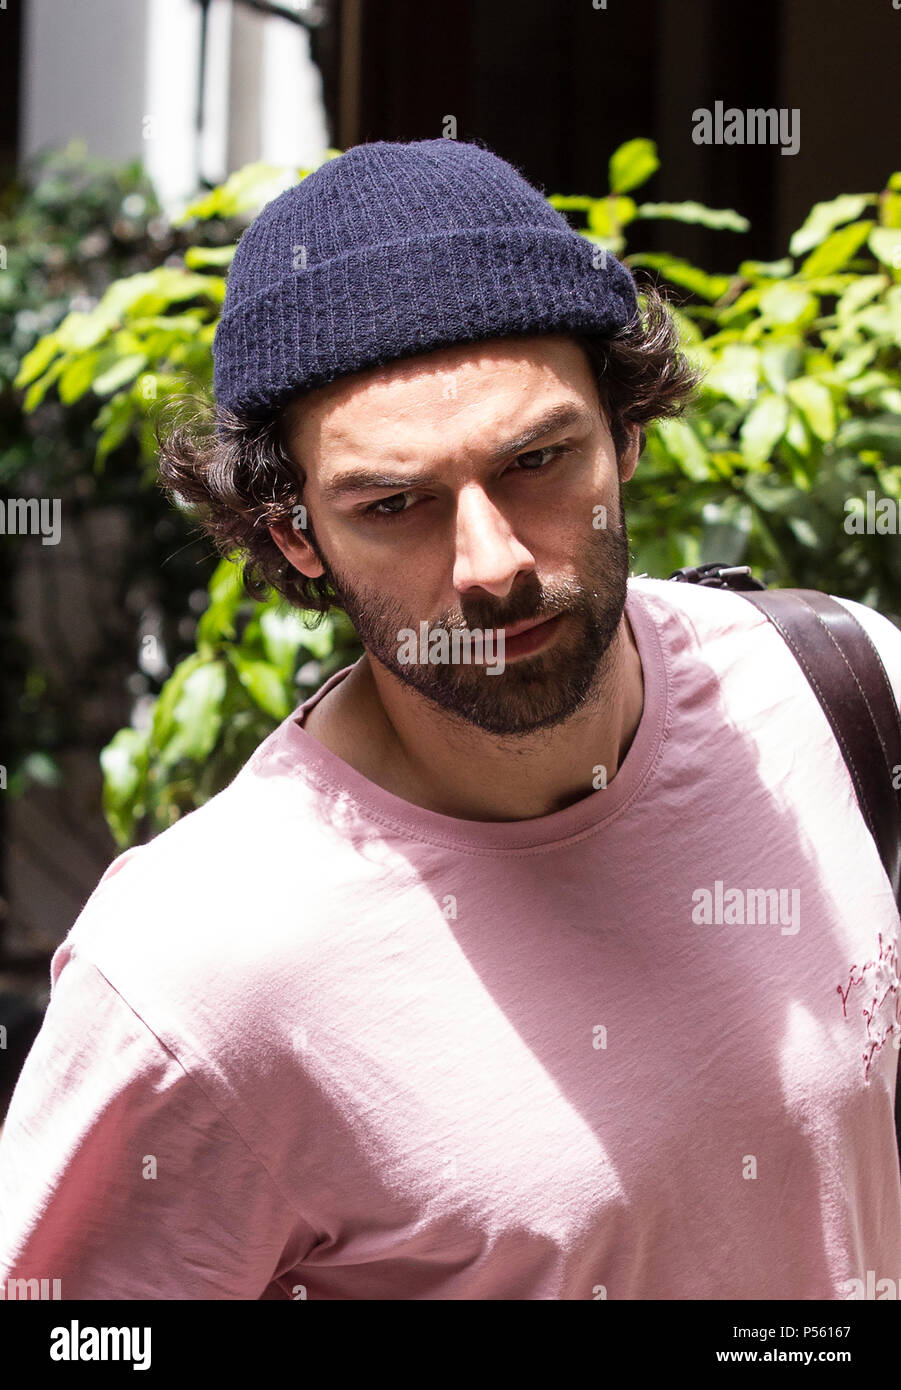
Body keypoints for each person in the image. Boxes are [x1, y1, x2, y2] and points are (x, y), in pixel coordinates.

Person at [0, 138, 899, 1301]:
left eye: (536, 459)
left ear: (623, 435)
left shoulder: (838, 689)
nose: (491, 563)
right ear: (294, 536)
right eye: (395, 503)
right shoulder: (193, 976)